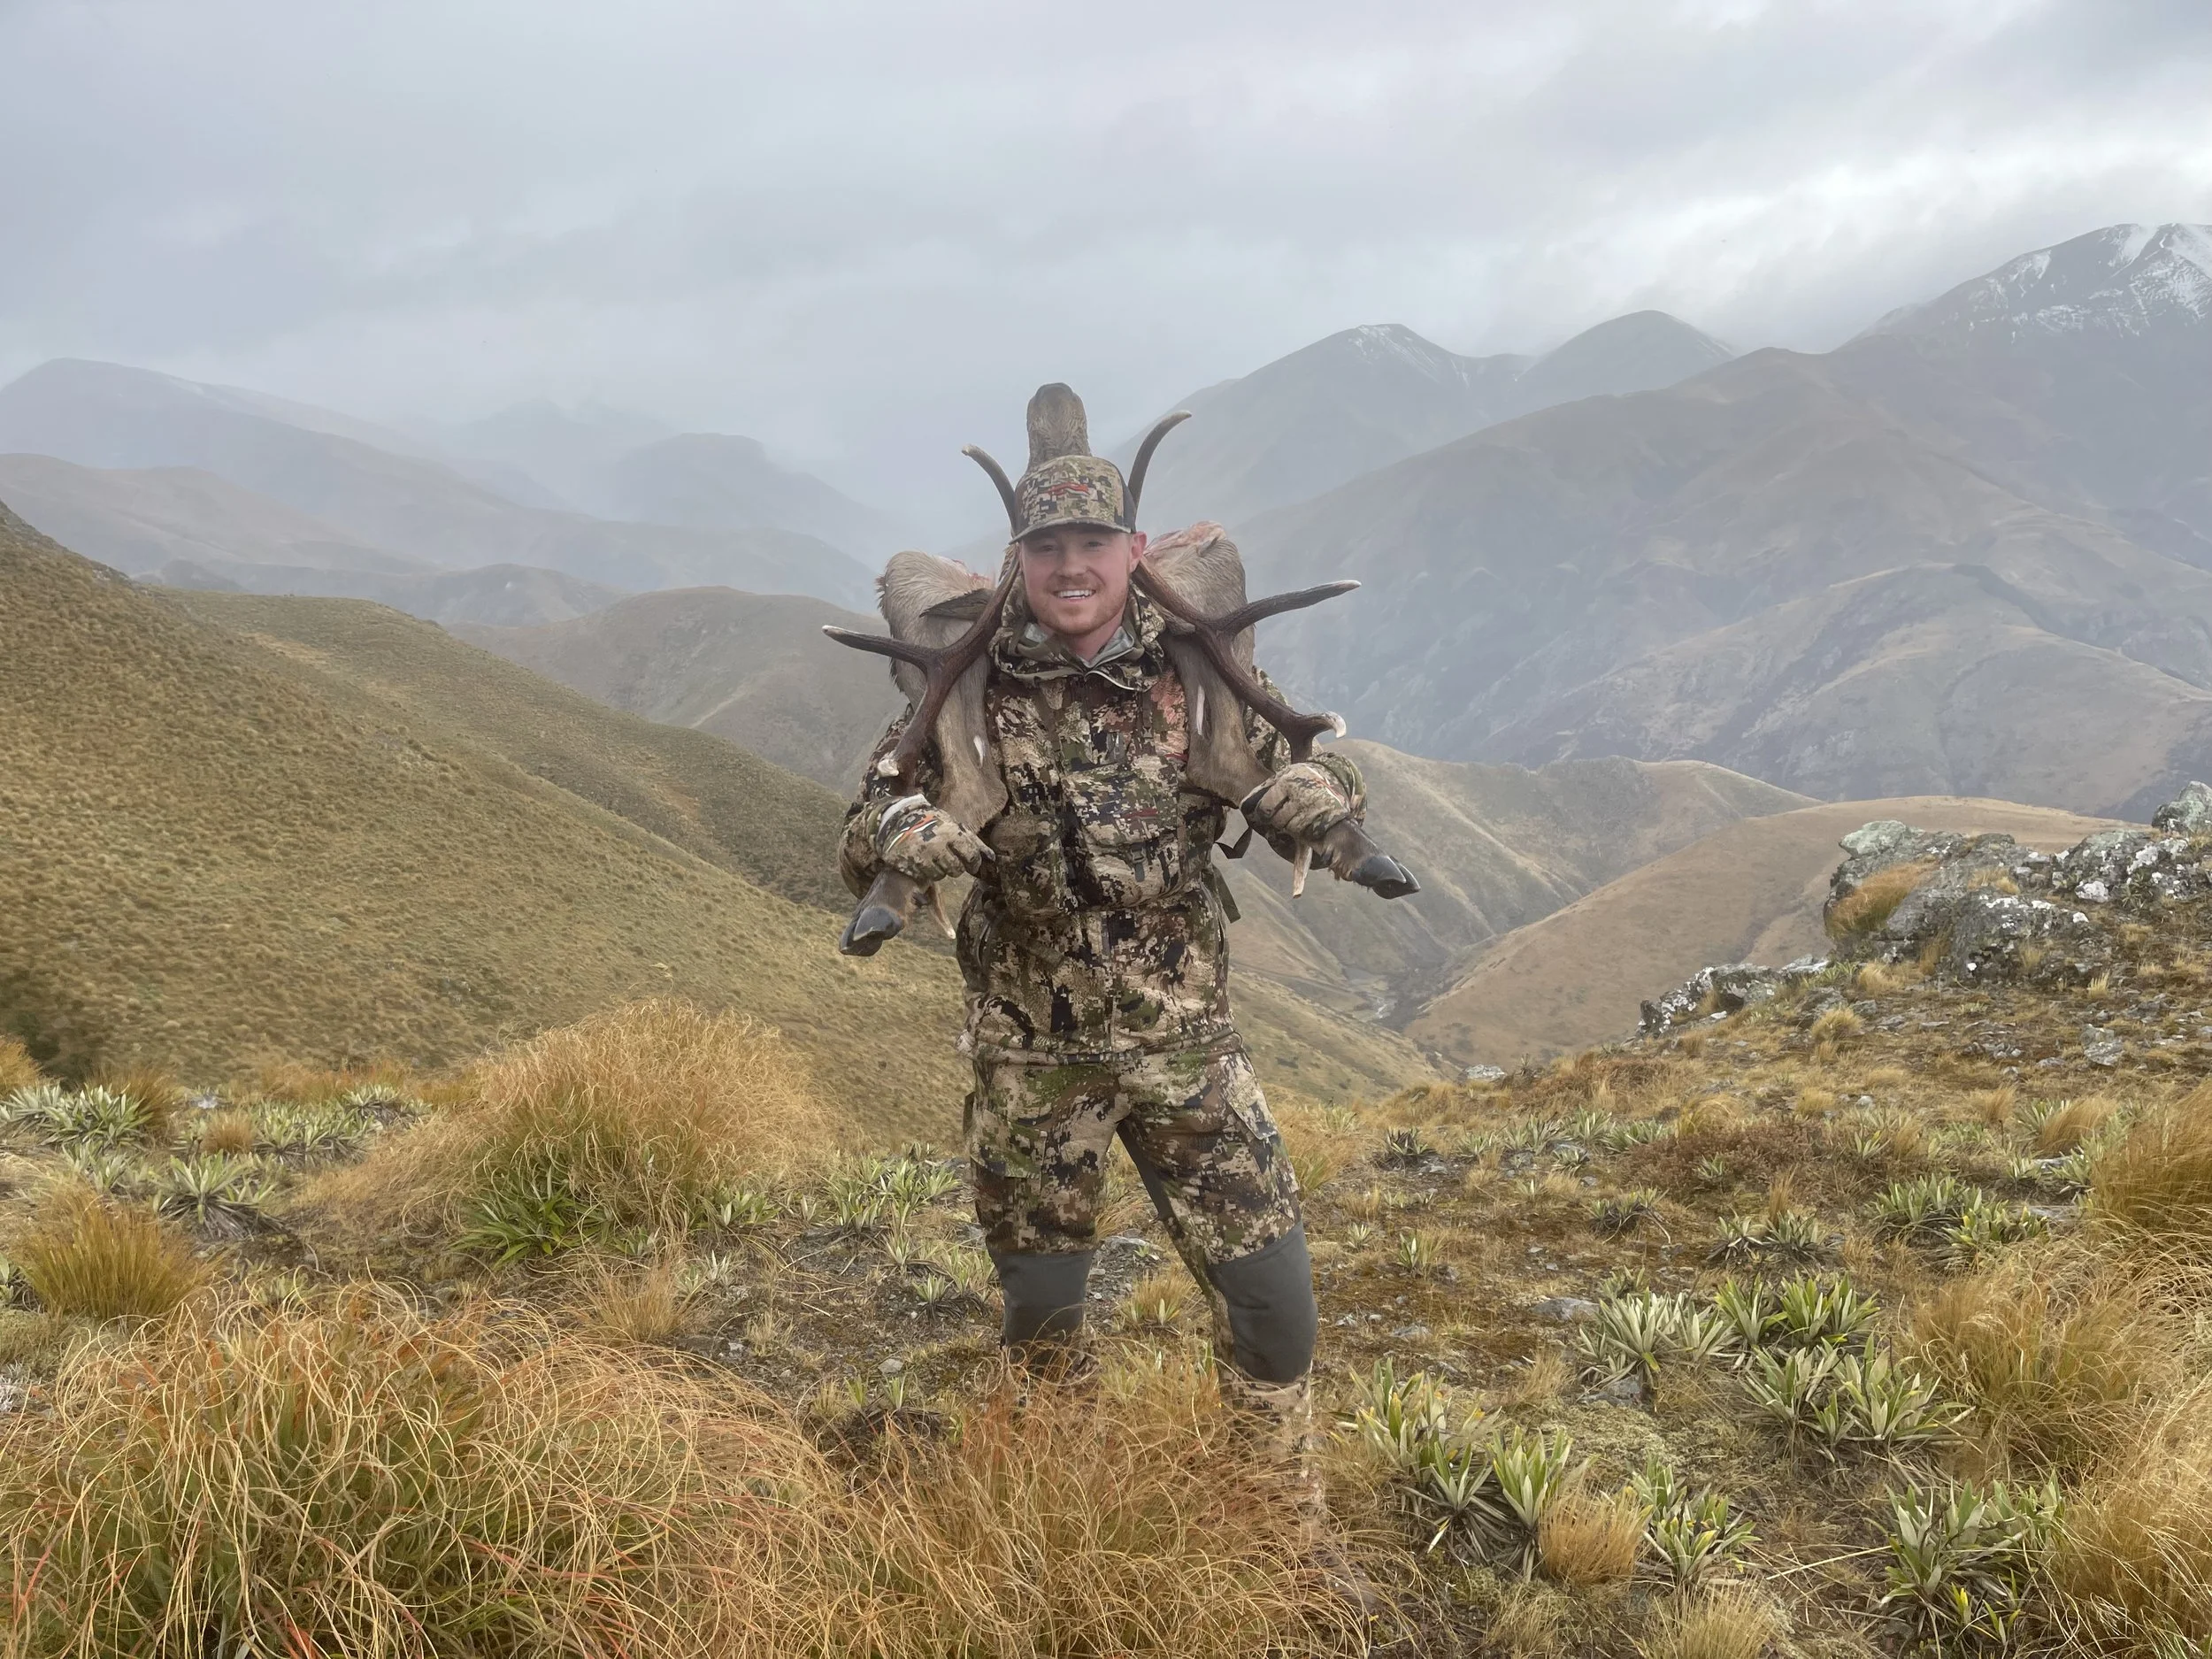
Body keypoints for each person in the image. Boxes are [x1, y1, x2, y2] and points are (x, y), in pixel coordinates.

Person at [837, 385, 1375, 1462]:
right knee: (1042, 1331)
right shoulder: (964, 692)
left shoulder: (1199, 669)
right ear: (1017, 561)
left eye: (1090, 542)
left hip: (1187, 1050)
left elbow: (1307, 766)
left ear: (1131, 549)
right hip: (1029, 1063)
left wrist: (1328, 797)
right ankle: (1061, 1521)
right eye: (1046, 548)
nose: (1069, 567)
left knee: (1274, 1308)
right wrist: (900, 828)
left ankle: (1275, 1525)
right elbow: (865, 822)